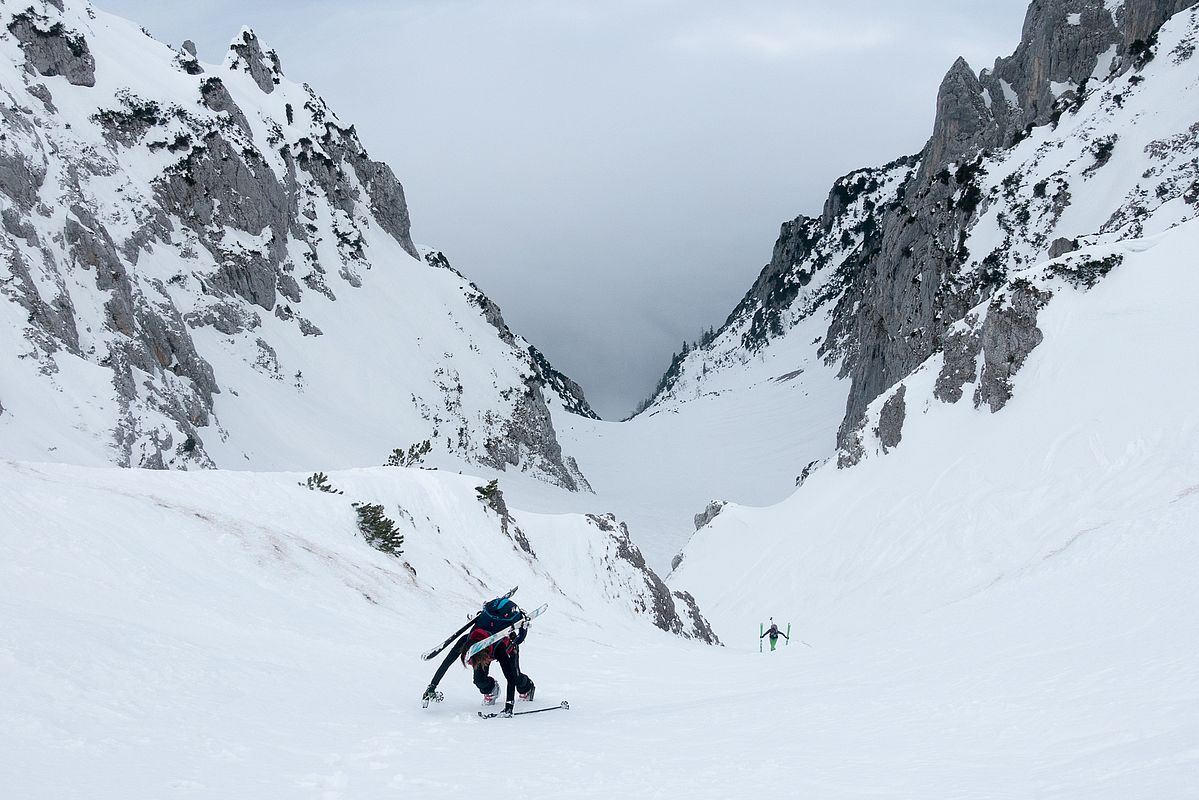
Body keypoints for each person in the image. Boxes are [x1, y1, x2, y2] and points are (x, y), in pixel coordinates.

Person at [422, 596, 536, 716]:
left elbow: (510, 679)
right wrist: (432, 686)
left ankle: (527, 688)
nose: (471, 664)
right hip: (485, 650)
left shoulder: (499, 649)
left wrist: (509, 707)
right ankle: (492, 690)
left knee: (516, 678)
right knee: (479, 680)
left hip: (509, 648)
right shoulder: (465, 641)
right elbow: (446, 663)